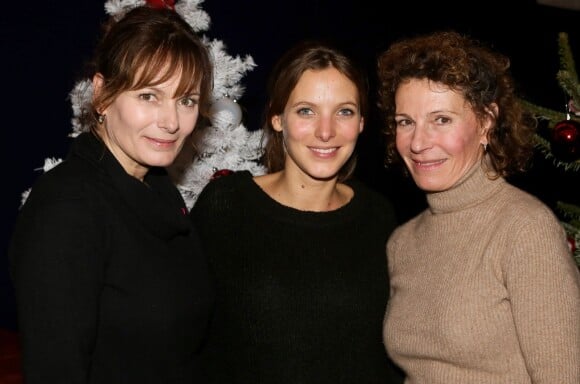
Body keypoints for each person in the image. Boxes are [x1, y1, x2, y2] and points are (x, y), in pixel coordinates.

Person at [8, 5, 215, 384]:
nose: (171, 122)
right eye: (149, 96)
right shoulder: (68, 209)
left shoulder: (157, 189)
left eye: (186, 100)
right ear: (103, 94)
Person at [191, 41, 404, 383]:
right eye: (306, 110)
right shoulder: (226, 207)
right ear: (277, 117)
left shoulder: (378, 217)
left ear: (362, 123)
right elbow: (184, 340)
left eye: (344, 111)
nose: (325, 131)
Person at [377, 30, 580, 383]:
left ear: (486, 122)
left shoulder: (524, 229)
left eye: (441, 119)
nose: (419, 142)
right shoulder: (403, 241)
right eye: (405, 122)